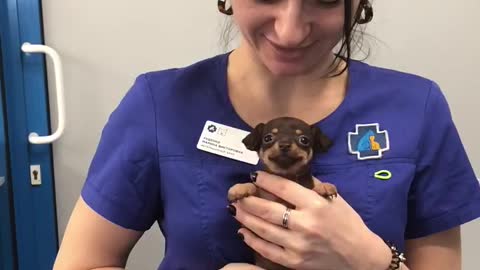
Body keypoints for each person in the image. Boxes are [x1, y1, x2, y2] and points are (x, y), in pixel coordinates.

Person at [53, 0, 480, 269]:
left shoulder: (415, 106)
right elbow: (82, 262)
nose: (290, 30)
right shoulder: (160, 102)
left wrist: (370, 261)